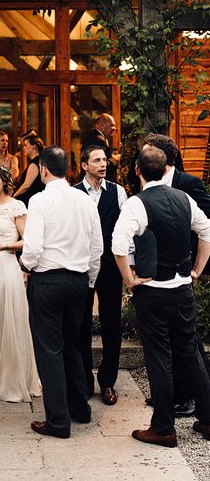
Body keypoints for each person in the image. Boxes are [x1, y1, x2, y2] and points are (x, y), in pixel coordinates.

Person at [111, 145, 210, 447]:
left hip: (152, 292)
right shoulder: (184, 198)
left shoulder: (136, 204)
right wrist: (195, 271)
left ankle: (164, 428)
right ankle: (208, 420)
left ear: (138, 170)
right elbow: (206, 231)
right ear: (167, 168)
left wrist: (129, 279)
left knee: (158, 357)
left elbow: (118, 245)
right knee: (190, 354)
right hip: (182, 289)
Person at [21, 146, 102, 439]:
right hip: (78, 282)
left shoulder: (40, 201)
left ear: (43, 170)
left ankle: (57, 421)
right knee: (72, 344)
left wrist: (25, 267)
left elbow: (32, 247)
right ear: (68, 168)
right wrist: (89, 279)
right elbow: (97, 246)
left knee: (49, 350)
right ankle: (80, 408)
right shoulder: (83, 199)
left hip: (49, 281)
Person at [142, 133, 210, 416]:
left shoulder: (189, 184)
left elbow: (205, 226)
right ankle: (172, 394)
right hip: (156, 275)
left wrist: (195, 268)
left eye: (148, 153)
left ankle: (192, 398)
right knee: (171, 340)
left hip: (183, 272)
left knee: (187, 341)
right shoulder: (147, 186)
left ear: (164, 157)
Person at [0, 161, 41, 403]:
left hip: (6, 265)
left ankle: (13, 378)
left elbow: (27, 240)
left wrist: (5, 246)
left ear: (4, 181)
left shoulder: (17, 206)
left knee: (9, 320)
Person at [74, 146, 127, 405]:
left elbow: (126, 233)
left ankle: (108, 381)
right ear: (84, 165)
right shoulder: (73, 194)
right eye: (96, 160)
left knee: (111, 324)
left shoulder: (118, 192)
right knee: (81, 324)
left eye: (104, 160)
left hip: (109, 269)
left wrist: (129, 266)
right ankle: (84, 380)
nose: (103, 164)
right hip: (80, 268)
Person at [82, 113, 119, 182]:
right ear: (102, 125)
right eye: (112, 125)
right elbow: (97, 165)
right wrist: (113, 162)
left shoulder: (96, 137)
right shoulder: (97, 139)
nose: (115, 129)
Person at [13, 131, 45, 204]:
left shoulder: (35, 162)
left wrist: (14, 195)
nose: (23, 148)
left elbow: (26, 185)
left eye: (25, 145)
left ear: (34, 146)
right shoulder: (38, 160)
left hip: (30, 202)